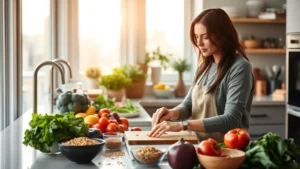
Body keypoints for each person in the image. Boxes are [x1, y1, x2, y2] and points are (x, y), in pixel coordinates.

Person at [149, 8, 254, 142]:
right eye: (196, 37)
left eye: (205, 37)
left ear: (222, 35)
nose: (199, 43)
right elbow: (188, 105)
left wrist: (183, 125)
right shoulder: (204, 66)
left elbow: (231, 119)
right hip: (200, 146)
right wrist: (172, 113)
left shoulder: (240, 68)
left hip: (227, 150)